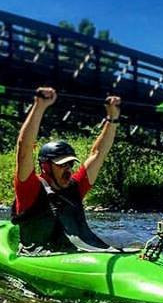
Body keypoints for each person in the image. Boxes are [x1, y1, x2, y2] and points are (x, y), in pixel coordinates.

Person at [12, 86, 122, 253]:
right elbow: (24, 149)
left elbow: (98, 154)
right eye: (62, 164)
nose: (68, 169)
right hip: (37, 255)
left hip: (73, 253)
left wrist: (112, 118)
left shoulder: (75, 187)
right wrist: (39, 106)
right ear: (46, 167)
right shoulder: (30, 189)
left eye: (70, 164)